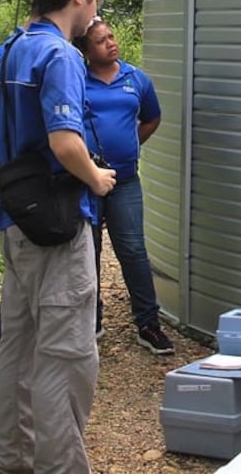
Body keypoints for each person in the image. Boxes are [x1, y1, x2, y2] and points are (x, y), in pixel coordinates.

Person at [0, 0, 117, 474]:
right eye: (96, 0)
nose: (95, 15)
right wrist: (97, 178)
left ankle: (13, 463)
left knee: (17, 349)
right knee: (65, 357)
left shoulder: (9, 48)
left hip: (16, 220)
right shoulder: (61, 55)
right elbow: (66, 143)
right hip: (58, 226)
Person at [74, 18, 172, 355]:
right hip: (86, 180)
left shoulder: (136, 78)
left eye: (111, 36)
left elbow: (152, 117)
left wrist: (130, 145)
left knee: (133, 251)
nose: (110, 43)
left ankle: (148, 323)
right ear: (86, 51)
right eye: (101, 41)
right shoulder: (77, 80)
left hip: (125, 180)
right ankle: (92, 319)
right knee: (90, 252)